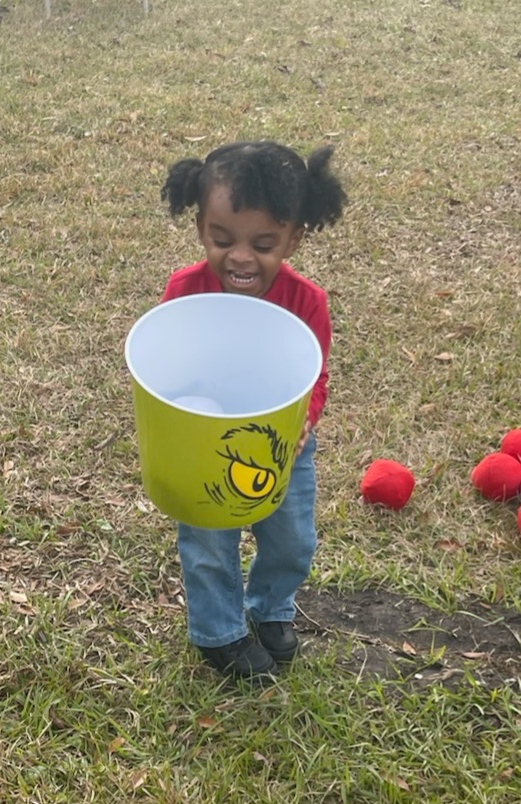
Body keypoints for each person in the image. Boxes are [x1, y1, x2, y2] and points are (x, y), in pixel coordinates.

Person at [159, 140, 347, 683]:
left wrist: (304, 422)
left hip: (284, 442)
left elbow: (315, 374)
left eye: (263, 243)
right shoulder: (185, 291)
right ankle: (219, 632)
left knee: (291, 539)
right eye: (223, 239)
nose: (240, 257)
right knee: (210, 540)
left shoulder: (305, 302)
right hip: (204, 442)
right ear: (201, 229)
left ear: (294, 237)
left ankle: (270, 608)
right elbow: (167, 359)